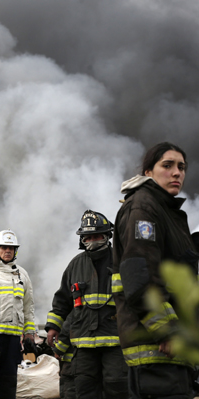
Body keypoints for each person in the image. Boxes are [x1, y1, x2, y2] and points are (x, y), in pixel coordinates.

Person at [112, 142, 197, 398]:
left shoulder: (166, 212)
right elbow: (139, 276)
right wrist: (165, 329)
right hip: (158, 347)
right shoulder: (144, 208)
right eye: (167, 165)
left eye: (181, 167)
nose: (177, 173)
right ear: (148, 172)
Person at [45, 210, 127, 398]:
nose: (91, 240)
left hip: (115, 340)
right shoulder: (75, 265)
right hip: (83, 344)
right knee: (85, 389)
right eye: (87, 237)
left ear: (107, 236)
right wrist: (52, 327)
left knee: (118, 388)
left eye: (96, 236)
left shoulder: (121, 261)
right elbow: (62, 300)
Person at [0, 229, 35, 399]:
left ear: (15, 251)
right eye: (3, 247)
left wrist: (29, 333)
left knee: (9, 379)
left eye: (11, 248)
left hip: (12, 338)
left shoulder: (22, 275)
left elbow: (28, 307)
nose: (7, 251)